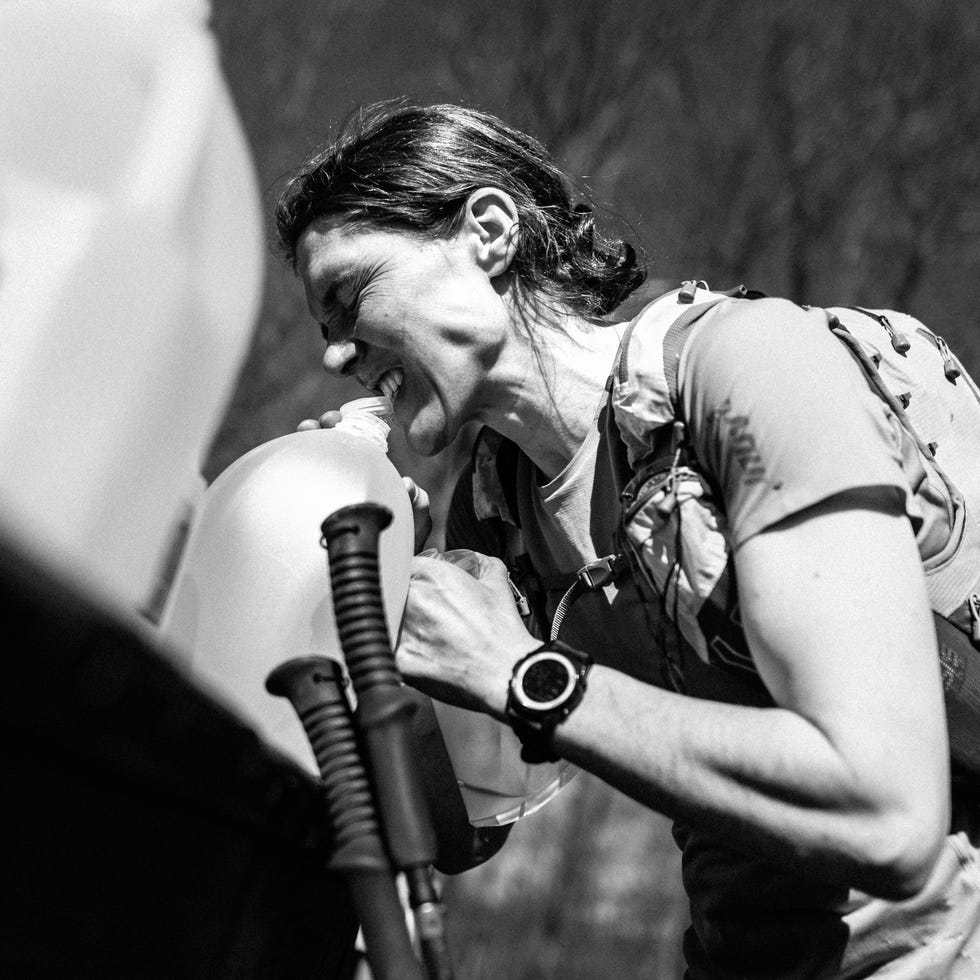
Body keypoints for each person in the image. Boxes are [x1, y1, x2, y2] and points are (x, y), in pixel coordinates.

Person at [276, 100, 980, 978]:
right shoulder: (495, 521)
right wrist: (376, 600)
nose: (337, 356)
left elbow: (887, 810)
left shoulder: (744, 366)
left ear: (488, 233)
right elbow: (453, 831)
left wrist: (523, 677)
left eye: (349, 298)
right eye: (324, 332)